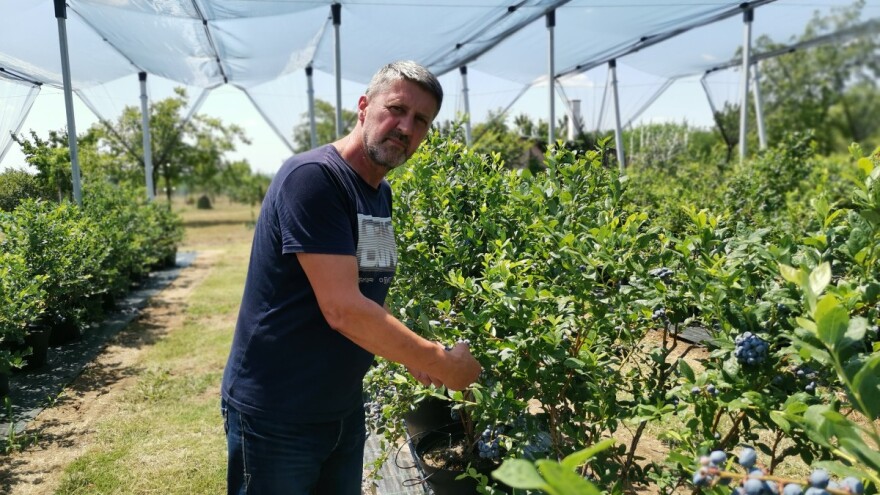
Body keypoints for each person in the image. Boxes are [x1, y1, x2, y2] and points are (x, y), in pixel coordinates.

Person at [220, 60, 482, 495]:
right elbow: (343, 308)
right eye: (396, 109)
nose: (406, 127)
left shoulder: (379, 193)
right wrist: (440, 362)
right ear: (363, 107)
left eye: (421, 120)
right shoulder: (314, 179)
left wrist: (411, 353)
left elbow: (368, 293)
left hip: (340, 407)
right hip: (277, 415)